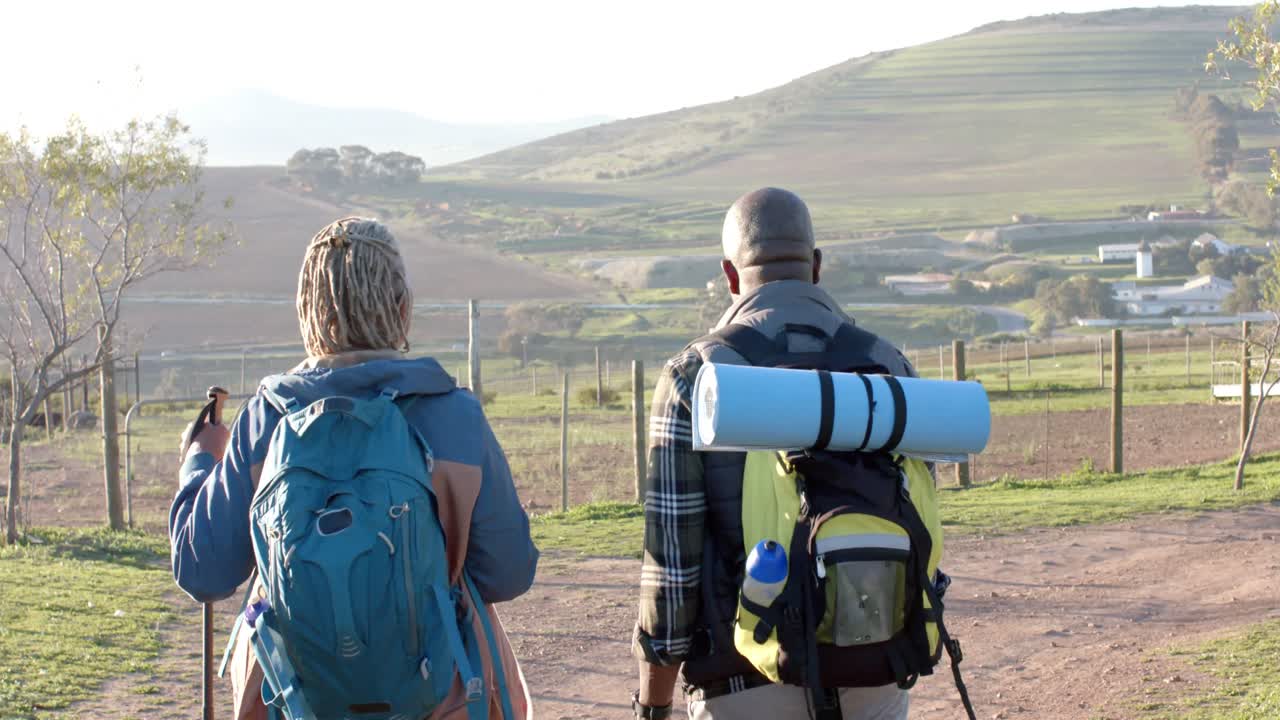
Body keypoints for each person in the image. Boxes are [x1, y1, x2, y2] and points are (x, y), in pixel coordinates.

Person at [169, 217, 538, 720]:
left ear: (308, 310)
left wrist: (198, 461)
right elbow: (508, 573)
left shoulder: (266, 420)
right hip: (440, 701)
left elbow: (203, 572)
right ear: (402, 308)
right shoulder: (454, 415)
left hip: (295, 704)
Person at [631, 188, 917, 720]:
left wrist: (653, 702)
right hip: (875, 673)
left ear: (730, 274)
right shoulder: (887, 365)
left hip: (744, 684)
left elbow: (672, 566)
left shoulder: (695, 376)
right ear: (816, 266)